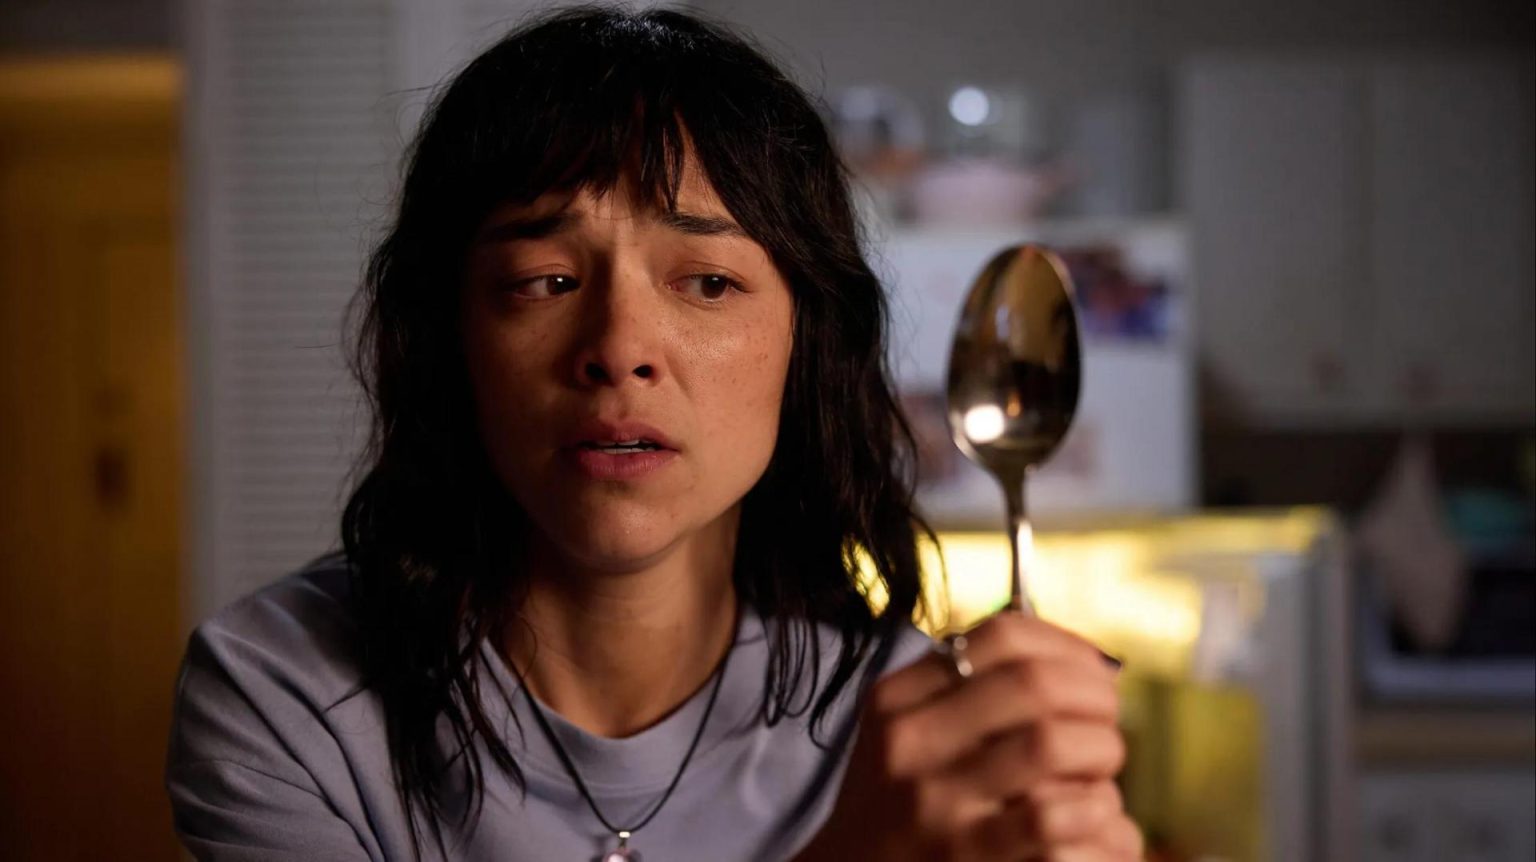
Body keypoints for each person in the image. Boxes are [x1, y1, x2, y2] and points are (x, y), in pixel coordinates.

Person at [165, 6, 1141, 861]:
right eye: (544, 281)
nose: (620, 350)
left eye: (709, 282)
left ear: (805, 344)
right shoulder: (286, 693)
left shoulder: (923, 733)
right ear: (447, 339)